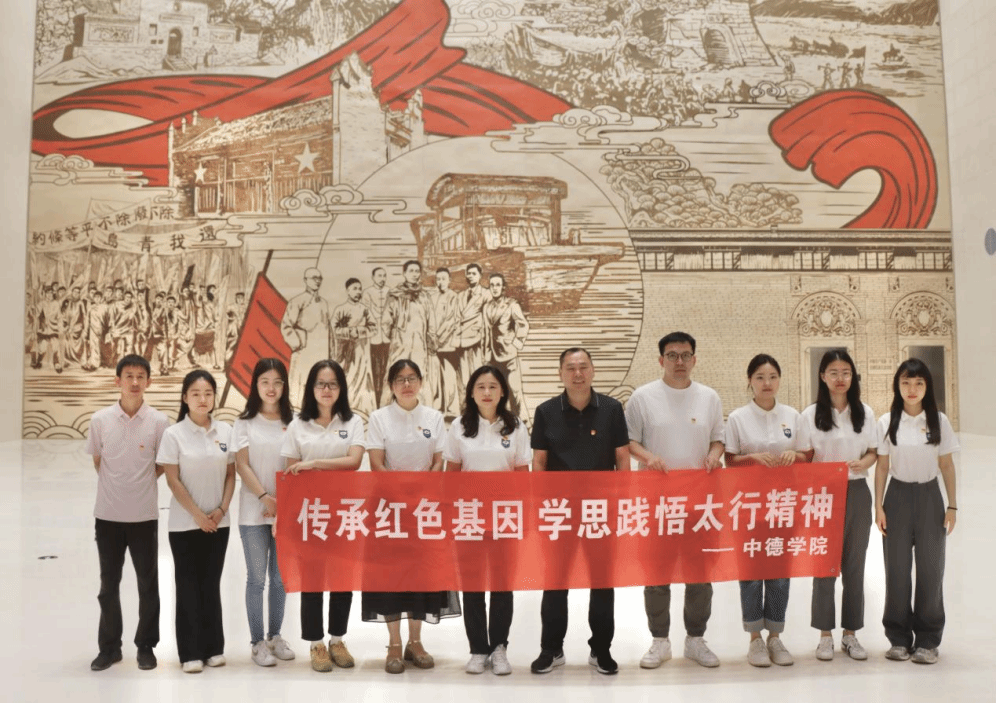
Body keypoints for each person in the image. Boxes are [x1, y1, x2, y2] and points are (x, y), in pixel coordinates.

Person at [626, 331, 725, 670]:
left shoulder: (709, 397)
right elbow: (629, 442)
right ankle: (660, 640)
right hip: (656, 503)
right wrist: (648, 457)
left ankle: (695, 639)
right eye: (672, 355)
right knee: (656, 573)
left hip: (700, 504)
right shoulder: (642, 397)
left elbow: (718, 439)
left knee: (700, 573)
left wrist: (714, 455)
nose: (679, 361)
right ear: (661, 360)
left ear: (694, 359)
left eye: (685, 355)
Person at [530, 348, 630, 676]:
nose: (577, 374)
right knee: (555, 581)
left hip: (601, 511)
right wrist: (540, 508)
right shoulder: (546, 411)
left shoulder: (612, 409)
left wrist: (623, 503)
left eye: (583, 367)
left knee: (602, 582)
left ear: (593, 371)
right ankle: (551, 649)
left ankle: (601, 649)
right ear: (560, 373)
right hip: (559, 512)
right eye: (570, 368)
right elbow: (540, 462)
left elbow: (622, 458)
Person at [365, 359, 460, 674]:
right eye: (400, 379)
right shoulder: (379, 418)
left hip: (424, 508)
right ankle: (394, 643)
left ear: (420, 382)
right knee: (391, 577)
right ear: (391, 385)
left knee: (421, 576)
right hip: (389, 508)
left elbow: (438, 461)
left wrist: (419, 495)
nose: (406, 384)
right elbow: (376, 463)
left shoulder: (433, 417)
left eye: (412, 378)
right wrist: (400, 496)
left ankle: (415, 642)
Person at [445, 365, 531, 676]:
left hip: (504, 517)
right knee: (472, 585)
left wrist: (523, 516)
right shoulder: (459, 427)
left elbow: (522, 475)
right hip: (469, 517)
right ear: (471, 392)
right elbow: (452, 475)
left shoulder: (515, 426)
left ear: (502, 392)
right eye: (480, 386)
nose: (486, 392)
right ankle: (478, 649)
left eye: (493, 386)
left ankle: (499, 648)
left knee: (502, 584)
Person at [86, 354, 170, 672]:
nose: (135, 382)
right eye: (129, 376)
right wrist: (118, 485)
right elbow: (99, 461)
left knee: (148, 585)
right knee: (108, 586)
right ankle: (109, 648)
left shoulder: (159, 422)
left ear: (149, 381)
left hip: (144, 517)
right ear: (117, 381)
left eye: (140, 376)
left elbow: (162, 464)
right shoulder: (100, 420)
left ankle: (146, 646)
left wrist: (140, 482)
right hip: (107, 516)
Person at [280, 359, 365, 672]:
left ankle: (337, 639)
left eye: (332, 384)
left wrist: (314, 463)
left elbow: (354, 461)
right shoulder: (298, 425)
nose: (326, 389)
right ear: (311, 388)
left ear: (341, 388)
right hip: (310, 514)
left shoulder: (352, 422)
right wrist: (284, 517)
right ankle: (316, 644)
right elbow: (290, 473)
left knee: (343, 579)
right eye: (320, 384)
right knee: (312, 579)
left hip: (344, 512)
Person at [874, 358, 959, 665]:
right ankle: (898, 638)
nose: (912, 389)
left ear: (927, 387)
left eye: (919, 383)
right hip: (896, 497)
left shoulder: (938, 420)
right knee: (896, 571)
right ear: (897, 386)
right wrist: (878, 506)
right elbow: (882, 466)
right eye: (906, 383)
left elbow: (946, 465)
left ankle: (927, 640)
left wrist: (952, 505)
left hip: (929, 497)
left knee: (931, 570)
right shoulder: (887, 422)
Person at [724, 354, 806, 667]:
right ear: (750, 381)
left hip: (783, 505)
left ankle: (775, 636)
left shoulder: (792, 416)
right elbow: (729, 460)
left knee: (779, 572)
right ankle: (755, 639)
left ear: (780, 380)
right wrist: (753, 458)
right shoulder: (738, 418)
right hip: (748, 506)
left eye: (772, 377)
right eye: (760, 377)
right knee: (750, 572)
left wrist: (795, 456)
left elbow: (807, 454)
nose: (767, 383)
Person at [798, 349, 878, 661]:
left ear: (853, 376)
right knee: (824, 566)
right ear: (823, 377)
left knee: (854, 566)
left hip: (857, 492)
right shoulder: (810, 415)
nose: (840, 378)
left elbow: (873, 452)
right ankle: (824, 635)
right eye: (833, 372)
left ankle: (851, 634)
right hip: (823, 496)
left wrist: (863, 463)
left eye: (846, 372)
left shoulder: (865, 413)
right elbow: (804, 458)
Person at [158, 369, 236, 673]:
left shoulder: (226, 431)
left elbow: (231, 474)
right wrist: (198, 515)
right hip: (185, 524)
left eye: (208, 393)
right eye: (195, 394)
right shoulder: (173, 434)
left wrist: (221, 509)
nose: (203, 399)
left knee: (211, 584)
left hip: (219, 523)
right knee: (188, 585)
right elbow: (172, 479)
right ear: (184, 398)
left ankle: (214, 648)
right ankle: (190, 652)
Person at [232, 358, 297, 667]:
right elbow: (241, 464)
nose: (271, 388)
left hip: (287, 511)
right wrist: (264, 497)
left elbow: (297, 463)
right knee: (257, 578)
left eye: (277, 382)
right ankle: (257, 642)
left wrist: (282, 503)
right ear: (255, 385)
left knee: (280, 579)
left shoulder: (294, 422)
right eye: (265, 382)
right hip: (253, 512)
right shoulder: (244, 422)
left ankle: (275, 636)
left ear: (284, 386)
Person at [381, 261, 436, 404]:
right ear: (404, 273)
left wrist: (430, 339)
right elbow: (386, 322)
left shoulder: (425, 296)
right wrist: (396, 337)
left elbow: (431, 321)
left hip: (419, 346)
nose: (414, 274)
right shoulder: (394, 295)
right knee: (395, 375)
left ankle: (422, 411)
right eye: (411, 271)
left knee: (419, 375)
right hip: (399, 344)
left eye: (417, 271)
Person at [482, 273, 529, 426]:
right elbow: (486, 332)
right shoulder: (487, 307)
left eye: (498, 285)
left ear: (503, 288)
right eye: (492, 285)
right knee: (495, 393)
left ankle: (523, 423)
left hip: (509, 355)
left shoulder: (511, 305)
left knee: (514, 391)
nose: (494, 288)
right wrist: (485, 354)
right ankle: (500, 423)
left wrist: (516, 342)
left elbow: (523, 324)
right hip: (492, 357)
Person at [280, 267, 331, 407]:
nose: (317, 281)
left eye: (319, 278)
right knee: (299, 387)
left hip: (321, 353)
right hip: (303, 352)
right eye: (314, 278)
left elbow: (327, 328)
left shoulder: (324, 303)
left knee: (319, 385)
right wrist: (298, 343)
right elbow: (286, 326)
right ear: (305, 280)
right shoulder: (297, 301)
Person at [331, 277, 376, 415]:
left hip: (362, 351)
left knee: (363, 380)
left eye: (360, 289)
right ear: (348, 291)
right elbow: (334, 330)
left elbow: (373, 328)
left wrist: (359, 331)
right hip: (346, 353)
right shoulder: (340, 309)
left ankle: (364, 411)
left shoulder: (365, 309)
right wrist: (349, 332)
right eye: (354, 289)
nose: (358, 292)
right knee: (347, 379)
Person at [431, 268, 461, 420]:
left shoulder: (453, 297)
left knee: (449, 375)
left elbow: (451, 321)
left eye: (443, 279)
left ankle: (451, 409)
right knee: (436, 376)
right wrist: (432, 338)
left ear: (449, 280)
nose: (440, 282)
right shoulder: (432, 297)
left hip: (448, 343)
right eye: (438, 279)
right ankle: (438, 407)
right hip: (434, 344)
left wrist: (439, 338)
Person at [455, 263, 487, 389]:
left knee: (478, 374)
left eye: (474, 273)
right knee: (464, 378)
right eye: (469, 273)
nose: (471, 276)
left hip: (477, 339)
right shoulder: (461, 296)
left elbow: (488, 318)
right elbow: (457, 317)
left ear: (480, 276)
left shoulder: (486, 294)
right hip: (462, 340)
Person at [362, 267, 391, 401]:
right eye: (379, 276)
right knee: (375, 368)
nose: (382, 279)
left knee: (386, 368)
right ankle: (376, 397)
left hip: (387, 337)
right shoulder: (367, 292)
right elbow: (366, 313)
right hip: (374, 337)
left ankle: (385, 397)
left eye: (384, 276)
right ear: (373, 277)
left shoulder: (390, 291)